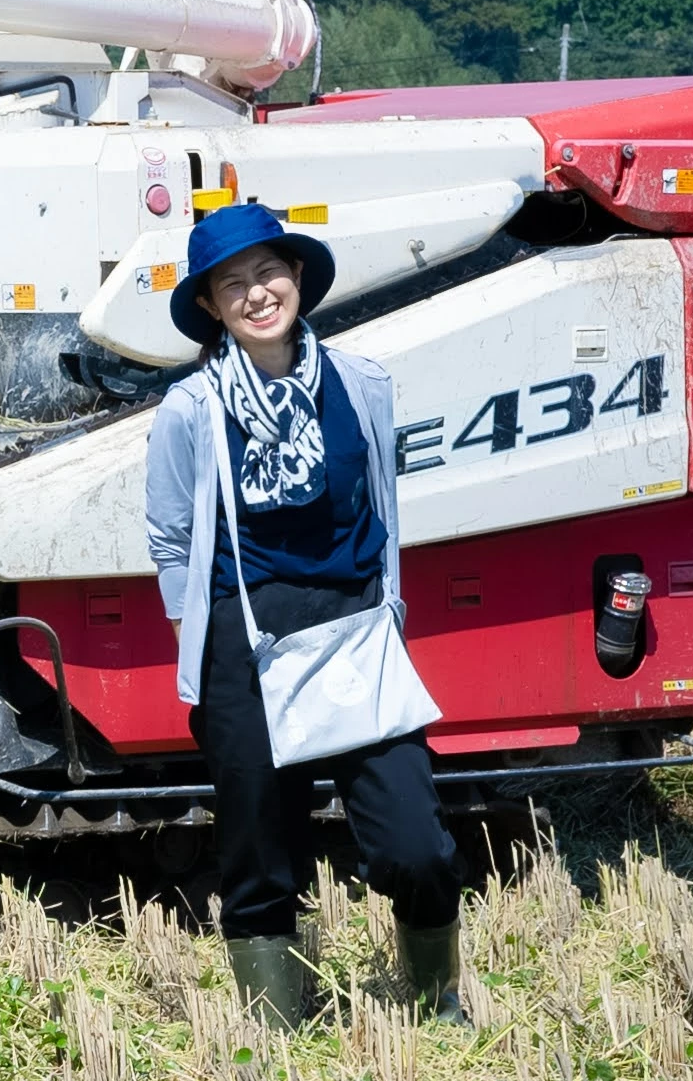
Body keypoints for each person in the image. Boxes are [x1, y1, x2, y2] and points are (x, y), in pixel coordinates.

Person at [145, 197, 466, 1026]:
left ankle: (437, 1000)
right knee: (259, 846)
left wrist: (391, 610)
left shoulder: (362, 385)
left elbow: (386, 510)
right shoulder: (192, 409)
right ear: (212, 307)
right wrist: (202, 645)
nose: (257, 294)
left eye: (268, 273)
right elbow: (173, 538)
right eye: (233, 284)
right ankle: (277, 1022)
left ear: (297, 280)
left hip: (355, 629)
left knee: (414, 842)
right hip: (243, 644)